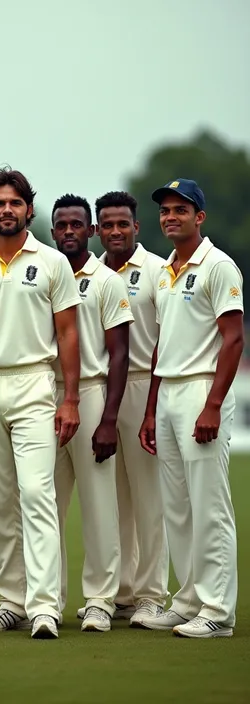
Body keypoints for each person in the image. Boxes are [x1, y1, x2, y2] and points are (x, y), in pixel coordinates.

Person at [0, 167, 82, 639]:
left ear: (29, 209)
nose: (7, 210)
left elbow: (69, 333)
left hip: (33, 384)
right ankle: (13, 601)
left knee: (36, 494)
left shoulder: (52, 263)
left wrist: (69, 399)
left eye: (15, 203)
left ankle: (45, 606)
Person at [139, 178, 244, 638]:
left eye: (180, 210)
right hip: (168, 395)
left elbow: (234, 338)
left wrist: (213, 405)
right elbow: (162, 343)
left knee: (209, 505)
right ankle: (187, 600)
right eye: (165, 211)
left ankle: (217, 611)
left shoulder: (219, 266)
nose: (170, 217)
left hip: (203, 391)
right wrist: (150, 409)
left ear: (199, 217)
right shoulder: (166, 270)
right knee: (177, 507)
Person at [51, 194, 134, 632]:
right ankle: (46, 599)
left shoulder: (106, 280)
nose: (69, 231)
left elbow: (119, 354)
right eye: (61, 225)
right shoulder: (43, 272)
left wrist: (108, 420)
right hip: (44, 397)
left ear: (91, 231)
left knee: (100, 504)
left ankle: (101, 600)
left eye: (77, 225)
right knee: (44, 505)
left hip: (91, 392)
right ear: (52, 232)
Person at [94, 191, 169, 626]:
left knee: (148, 499)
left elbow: (163, 340)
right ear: (97, 230)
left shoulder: (157, 271)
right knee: (112, 498)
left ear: (136, 227)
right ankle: (121, 591)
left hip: (142, 385)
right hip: (101, 391)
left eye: (123, 223)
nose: (116, 231)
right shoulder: (90, 271)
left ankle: (152, 594)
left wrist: (152, 408)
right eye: (108, 224)